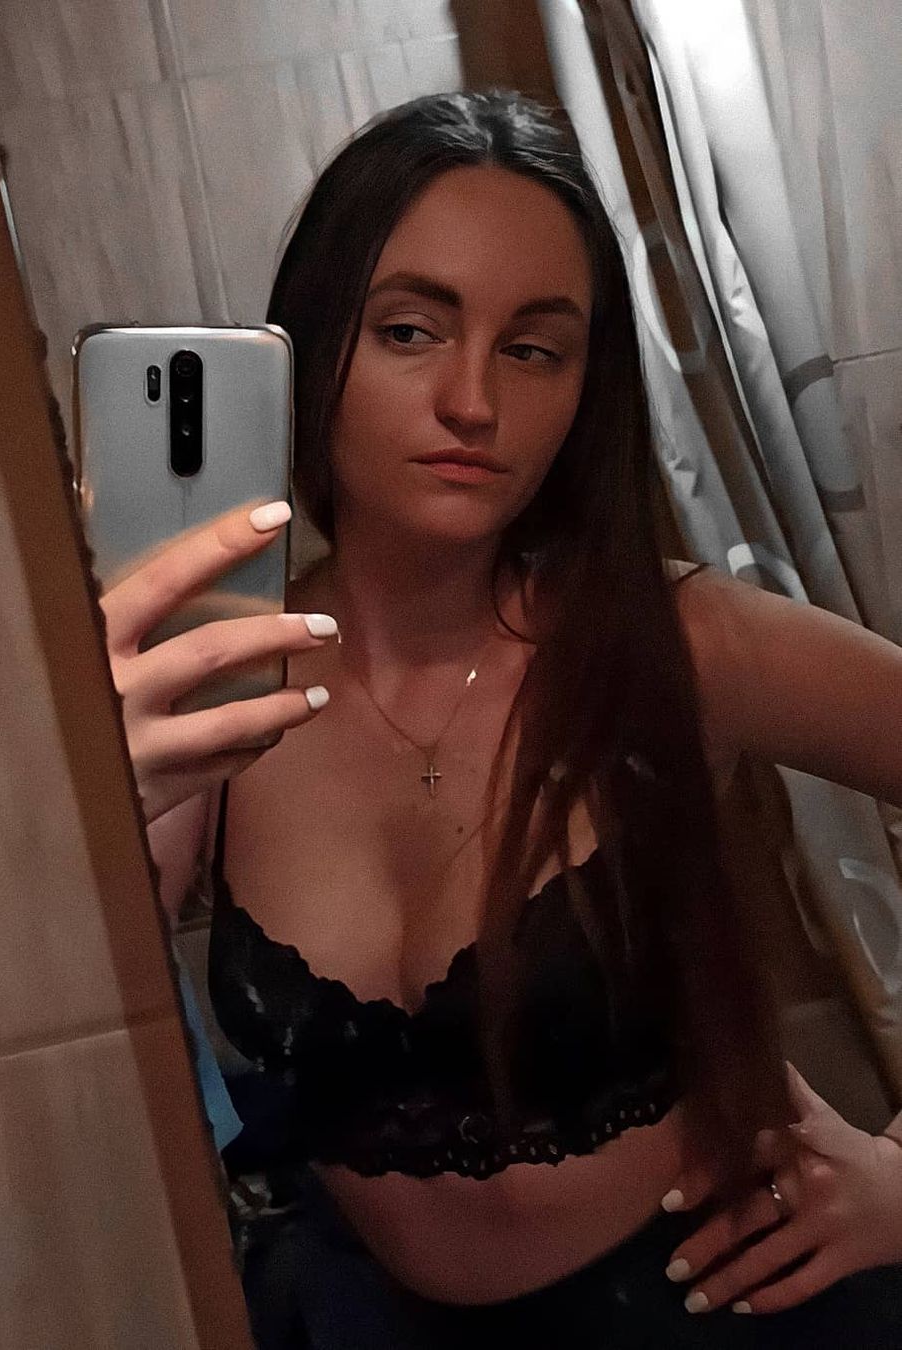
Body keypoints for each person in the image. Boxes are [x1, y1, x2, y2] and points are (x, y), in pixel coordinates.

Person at [99, 91, 902, 1347]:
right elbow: (65, 1033)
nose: (472, 399)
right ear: (313, 347)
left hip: (728, 1314)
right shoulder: (226, 682)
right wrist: (102, 786)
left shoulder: (672, 639)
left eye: (534, 350)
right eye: (410, 331)